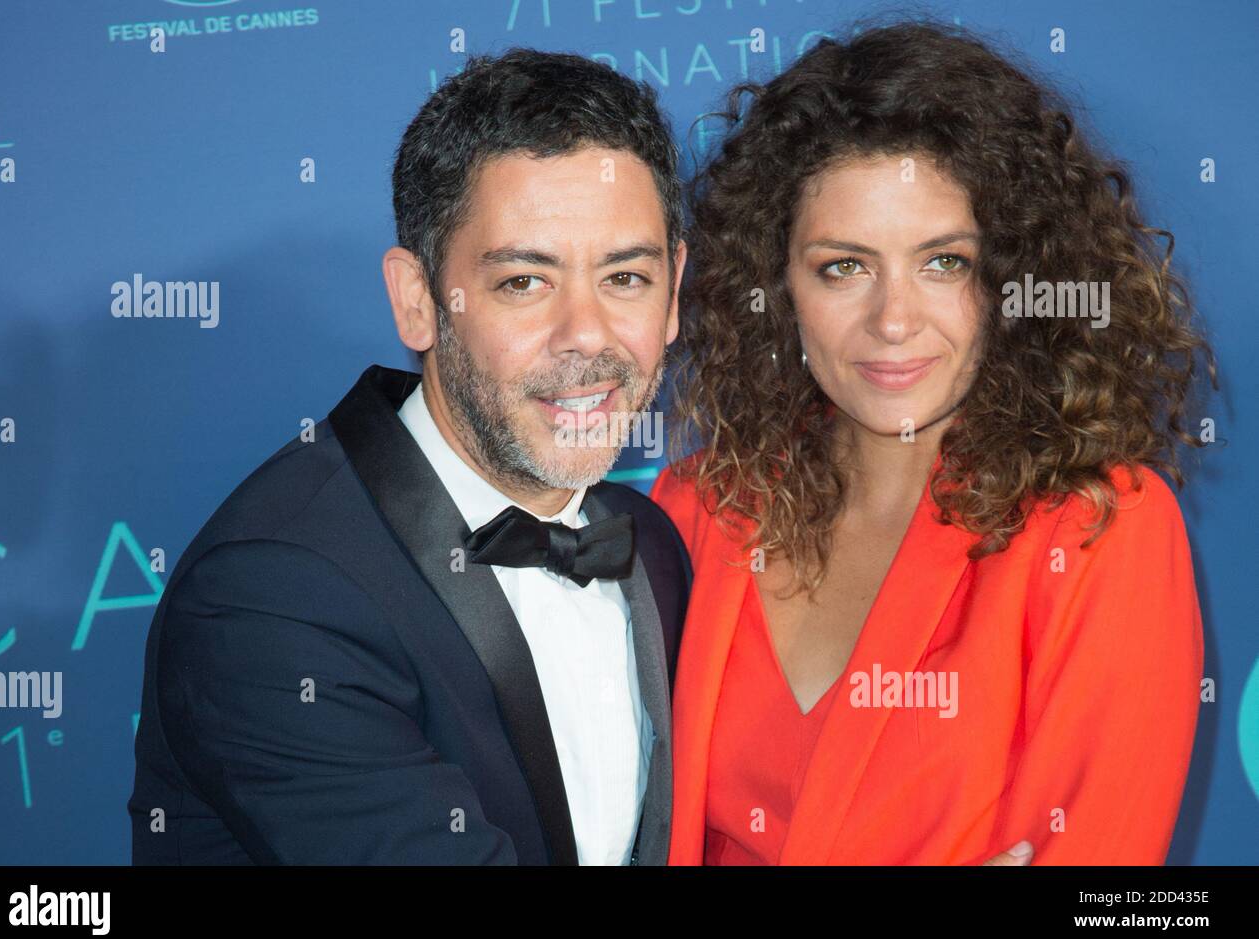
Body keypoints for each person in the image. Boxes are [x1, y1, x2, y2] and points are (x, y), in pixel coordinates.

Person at [651, 21, 1213, 865]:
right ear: (777, 287)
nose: (894, 320)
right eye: (843, 266)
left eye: (943, 262)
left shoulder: (1100, 530)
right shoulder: (699, 505)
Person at [129, 49, 692, 865]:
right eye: (524, 283)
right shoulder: (273, 593)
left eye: (626, 277)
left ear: (675, 292)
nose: (588, 336)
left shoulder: (651, 542)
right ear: (418, 301)